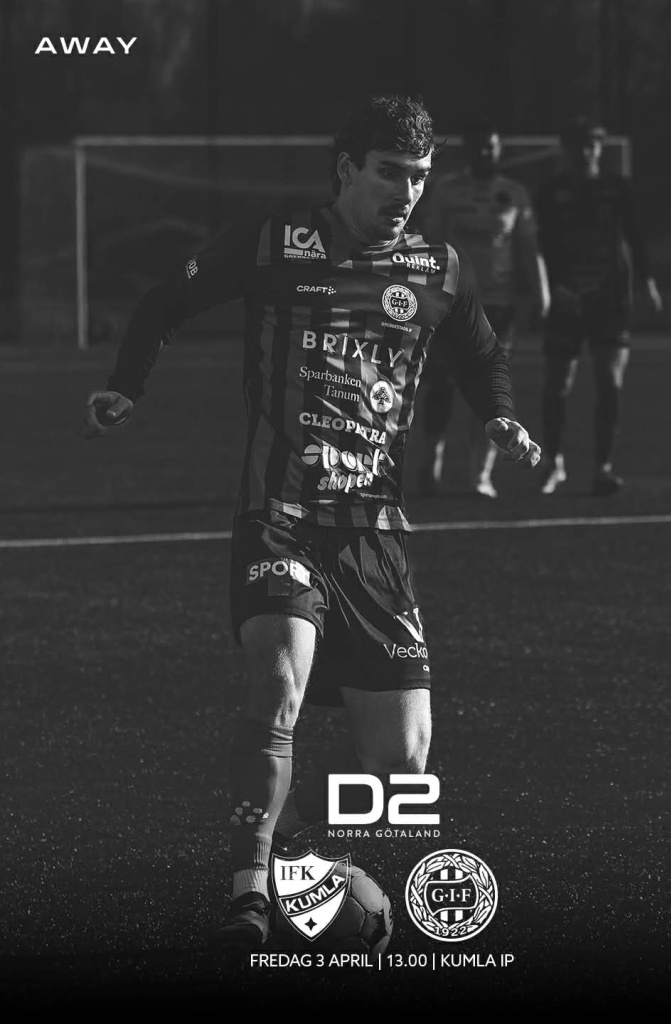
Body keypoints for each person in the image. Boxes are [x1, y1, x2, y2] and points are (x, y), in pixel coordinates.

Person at [81, 94, 541, 952]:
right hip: (281, 517)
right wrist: (125, 385)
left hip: (375, 537)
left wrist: (501, 416)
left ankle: (297, 843)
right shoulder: (275, 242)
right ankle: (249, 897)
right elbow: (164, 301)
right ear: (346, 169)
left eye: (419, 176)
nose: (406, 191)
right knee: (276, 688)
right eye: (390, 172)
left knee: (403, 766)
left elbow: (482, 354)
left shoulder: (438, 268)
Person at [418, 123, 550, 498]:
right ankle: (430, 464)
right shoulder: (446, 190)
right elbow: (428, 243)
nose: (485, 152)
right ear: (468, 149)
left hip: (497, 305)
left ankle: (480, 475)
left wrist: (541, 293)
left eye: (491, 146)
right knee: (439, 386)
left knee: (490, 387)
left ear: (500, 149)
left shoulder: (515, 194)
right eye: (479, 146)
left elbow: (528, 247)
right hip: (449, 302)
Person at [536, 115, 662, 495]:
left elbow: (635, 236)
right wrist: (548, 290)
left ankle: (602, 467)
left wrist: (647, 282)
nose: (585, 151)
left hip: (610, 300)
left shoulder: (616, 188)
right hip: (567, 298)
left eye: (591, 144)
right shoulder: (549, 193)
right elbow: (540, 246)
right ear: (565, 149)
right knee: (558, 383)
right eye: (578, 144)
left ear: (599, 148)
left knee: (610, 382)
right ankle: (553, 462)